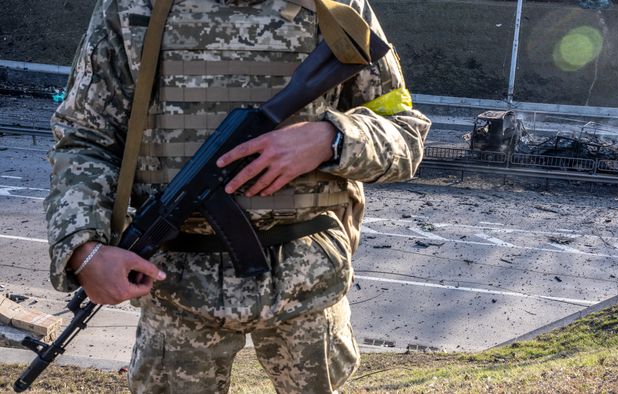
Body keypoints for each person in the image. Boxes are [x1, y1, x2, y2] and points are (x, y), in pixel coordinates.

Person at [44, 0, 430, 392]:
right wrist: (83, 249)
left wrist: (332, 139)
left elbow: (406, 133)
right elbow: (84, 138)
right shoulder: (132, 7)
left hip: (309, 283)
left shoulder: (335, 7)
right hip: (176, 286)